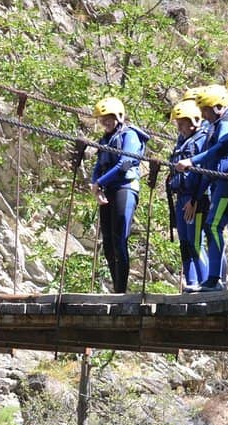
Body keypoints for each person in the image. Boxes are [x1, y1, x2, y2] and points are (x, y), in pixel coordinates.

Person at [175, 85, 228, 290]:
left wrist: (192, 161)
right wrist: (195, 197)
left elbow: (223, 146)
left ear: (219, 107)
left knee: (213, 225)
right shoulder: (216, 125)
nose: (203, 114)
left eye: (206, 110)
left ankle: (214, 279)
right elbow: (211, 168)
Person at [90, 96, 150, 293]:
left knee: (119, 238)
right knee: (107, 243)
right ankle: (117, 287)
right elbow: (99, 166)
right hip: (109, 190)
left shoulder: (130, 135)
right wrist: (96, 186)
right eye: (102, 118)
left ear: (119, 116)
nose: (105, 121)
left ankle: (121, 290)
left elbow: (124, 163)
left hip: (125, 188)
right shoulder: (105, 140)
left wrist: (100, 182)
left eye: (108, 117)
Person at [166, 98, 211, 290]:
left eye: (183, 123)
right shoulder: (183, 142)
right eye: (179, 124)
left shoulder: (202, 140)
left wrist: (194, 200)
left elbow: (205, 174)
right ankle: (192, 281)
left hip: (197, 198)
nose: (180, 127)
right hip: (181, 197)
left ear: (194, 121)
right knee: (184, 242)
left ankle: (206, 282)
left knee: (195, 242)